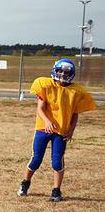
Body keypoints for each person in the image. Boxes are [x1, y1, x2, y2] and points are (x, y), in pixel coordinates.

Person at [18, 58, 97, 201]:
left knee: (57, 162)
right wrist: (47, 121)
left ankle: (56, 190)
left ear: (71, 73)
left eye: (66, 72)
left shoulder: (75, 91)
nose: (62, 74)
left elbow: (75, 113)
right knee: (36, 159)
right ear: (55, 70)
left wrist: (71, 130)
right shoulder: (46, 85)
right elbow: (40, 109)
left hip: (61, 131)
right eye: (60, 70)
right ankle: (25, 183)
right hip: (43, 129)